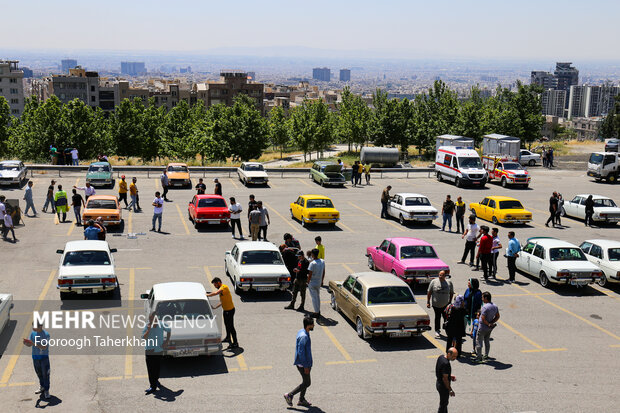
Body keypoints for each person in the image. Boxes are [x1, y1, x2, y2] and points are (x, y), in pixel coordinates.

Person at [283, 316, 314, 408]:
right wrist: (306, 366)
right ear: (308, 326)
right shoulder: (304, 336)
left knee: (305, 381)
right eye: (312, 324)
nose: (314, 325)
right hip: (303, 364)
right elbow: (301, 352)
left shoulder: (302, 331)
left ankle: (301, 400)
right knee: (307, 383)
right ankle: (290, 395)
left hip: (305, 363)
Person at [142, 312, 171, 395]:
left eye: (154, 319)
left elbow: (169, 330)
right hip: (149, 350)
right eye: (150, 320)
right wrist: (148, 329)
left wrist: (166, 341)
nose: (152, 321)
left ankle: (156, 380)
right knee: (151, 369)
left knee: (157, 368)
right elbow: (143, 337)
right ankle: (152, 386)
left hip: (159, 350)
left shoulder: (161, 324)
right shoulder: (147, 325)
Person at [207, 277, 238, 348]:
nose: (215, 286)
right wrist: (215, 307)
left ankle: (235, 342)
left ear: (218, 282)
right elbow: (222, 301)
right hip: (226, 310)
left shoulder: (224, 287)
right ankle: (228, 337)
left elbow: (215, 293)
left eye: (215, 285)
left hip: (230, 310)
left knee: (231, 326)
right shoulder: (221, 291)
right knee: (226, 325)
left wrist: (207, 295)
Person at [23, 322, 51, 399]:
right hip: (35, 358)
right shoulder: (33, 333)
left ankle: (46, 390)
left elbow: (44, 347)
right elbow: (30, 344)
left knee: (46, 374)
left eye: (35, 326)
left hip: (44, 359)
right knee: (39, 373)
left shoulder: (46, 335)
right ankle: (42, 386)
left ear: (41, 326)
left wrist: (34, 343)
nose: (33, 328)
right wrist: (26, 343)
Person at [427, 270, 454, 338]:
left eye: (442, 275)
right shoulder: (434, 282)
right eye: (439, 275)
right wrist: (428, 301)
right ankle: (437, 330)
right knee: (437, 317)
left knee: (446, 317)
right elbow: (429, 292)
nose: (440, 276)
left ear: (445, 276)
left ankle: (447, 330)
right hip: (436, 305)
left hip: (445, 305)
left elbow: (451, 293)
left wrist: (450, 301)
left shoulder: (449, 282)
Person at [474, 292, 500, 363]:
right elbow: (497, 316)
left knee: (479, 342)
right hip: (489, 329)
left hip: (482, 327)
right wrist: (492, 323)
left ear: (486, 298)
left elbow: (483, 318)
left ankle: (479, 358)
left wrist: (488, 323)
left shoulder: (485, 307)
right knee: (487, 341)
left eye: (483, 298)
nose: (482, 299)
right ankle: (486, 355)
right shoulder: (495, 306)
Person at [435, 347, 457, 413]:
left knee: (444, 403)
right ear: (449, 354)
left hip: (438, 383)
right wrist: (450, 389)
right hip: (443, 386)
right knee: (443, 404)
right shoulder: (446, 364)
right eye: (453, 356)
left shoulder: (441, 357)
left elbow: (441, 372)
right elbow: (445, 379)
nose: (455, 358)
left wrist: (449, 376)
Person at [307, 249, 325, 319]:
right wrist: (322, 281)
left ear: (313, 255)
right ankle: (318, 310)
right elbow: (323, 272)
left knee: (314, 298)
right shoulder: (322, 261)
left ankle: (316, 312)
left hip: (312, 283)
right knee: (317, 297)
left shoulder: (312, 263)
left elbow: (310, 274)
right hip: (318, 282)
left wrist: (308, 282)